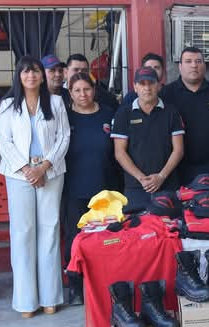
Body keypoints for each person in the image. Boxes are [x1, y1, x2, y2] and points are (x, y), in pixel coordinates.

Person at [0, 56, 70, 317]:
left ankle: (50, 296)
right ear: (19, 75)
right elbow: (4, 143)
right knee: (23, 233)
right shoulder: (7, 105)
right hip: (19, 175)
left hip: (50, 171)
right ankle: (26, 300)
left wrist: (44, 166)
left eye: (36, 71)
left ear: (42, 75)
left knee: (49, 230)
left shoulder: (57, 101)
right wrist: (27, 169)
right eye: (26, 72)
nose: (31, 76)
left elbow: (64, 137)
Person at [62, 72, 118, 306]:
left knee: (105, 240)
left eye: (87, 89)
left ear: (94, 90)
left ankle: (104, 286)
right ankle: (76, 286)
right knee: (76, 240)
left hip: (105, 189)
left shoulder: (108, 114)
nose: (82, 94)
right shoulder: (64, 116)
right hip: (73, 188)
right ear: (70, 93)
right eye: (77, 90)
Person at [112, 67, 184, 212]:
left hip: (167, 184)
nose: (147, 88)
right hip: (135, 186)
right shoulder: (123, 114)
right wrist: (141, 178)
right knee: (136, 229)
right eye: (142, 84)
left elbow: (179, 149)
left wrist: (161, 176)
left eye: (151, 83)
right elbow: (119, 152)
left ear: (158, 85)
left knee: (169, 228)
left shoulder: (171, 112)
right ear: (135, 87)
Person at [160, 47, 209, 184]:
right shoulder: (166, 95)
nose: (194, 65)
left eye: (198, 61)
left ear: (204, 65)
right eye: (188, 61)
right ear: (180, 66)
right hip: (176, 170)